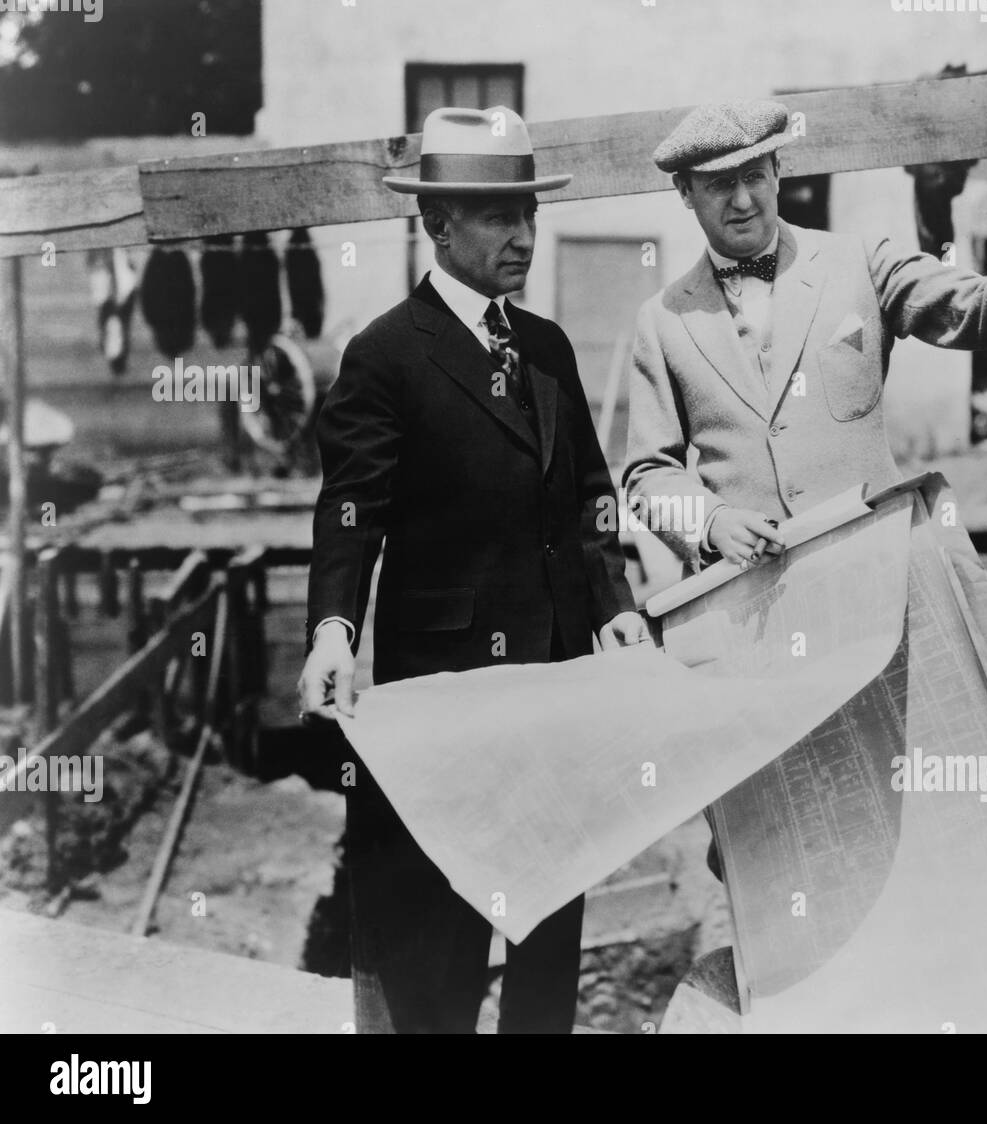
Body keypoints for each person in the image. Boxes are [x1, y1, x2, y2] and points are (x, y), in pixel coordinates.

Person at [623, 99, 987, 877]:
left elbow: (975, 312)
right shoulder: (663, 321)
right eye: (717, 186)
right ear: (686, 197)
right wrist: (708, 523)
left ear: (778, 173)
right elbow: (645, 474)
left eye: (753, 176)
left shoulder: (859, 263)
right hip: (752, 627)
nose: (741, 200)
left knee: (904, 810)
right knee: (772, 833)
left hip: (878, 610)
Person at [298, 105, 648, 1033]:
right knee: (441, 950)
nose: (525, 234)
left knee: (547, 944)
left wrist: (611, 602)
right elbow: (349, 512)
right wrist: (334, 630)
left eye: (530, 212)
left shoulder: (547, 347)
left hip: (556, 683)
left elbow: (589, 498)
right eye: (499, 217)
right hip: (449, 697)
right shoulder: (384, 357)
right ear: (439, 223)